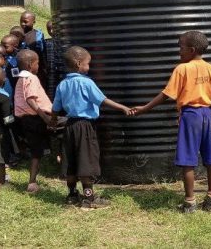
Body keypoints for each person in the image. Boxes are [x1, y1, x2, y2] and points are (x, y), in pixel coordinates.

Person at [132, 31, 211, 213]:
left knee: (187, 160)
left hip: (190, 116)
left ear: (191, 50)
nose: (179, 52)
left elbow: (166, 94)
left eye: (181, 47)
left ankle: (190, 202)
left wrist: (145, 108)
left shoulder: (182, 69)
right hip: (207, 115)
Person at [51, 46, 131, 209]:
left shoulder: (62, 84)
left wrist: (52, 122)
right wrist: (122, 107)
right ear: (79, 63)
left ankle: (72, 196)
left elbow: (55, 108)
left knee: (71, 160)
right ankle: (89, 198)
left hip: (70, 126)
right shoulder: (86, 82)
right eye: (88, 64)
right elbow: (102, 100)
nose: (89, 67)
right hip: (85, 127)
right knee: (86, 160)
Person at [14, 49, 52, 193]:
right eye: (37, 63)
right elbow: (30, 99)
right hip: (35, 118)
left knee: (37, 149)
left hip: (26, 120)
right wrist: (44, 117)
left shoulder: (21, 79)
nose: (39, 66)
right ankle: (32, 182)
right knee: (37, 152)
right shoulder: (31, 78)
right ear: (30, 65)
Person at [44, 20, 59, 100]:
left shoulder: (63, 42)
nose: (51, 31)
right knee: (51, 92)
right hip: (50, 71)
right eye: (49, 29)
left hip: (61, 71)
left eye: (53, 28)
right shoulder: (46, 42)